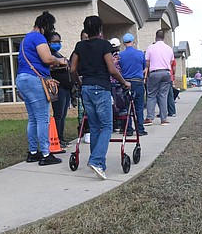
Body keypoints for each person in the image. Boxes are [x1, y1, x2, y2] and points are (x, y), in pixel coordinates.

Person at [70, 16, 130, 180]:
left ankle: (98, 164)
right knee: (107, 127)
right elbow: (111, 69)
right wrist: (124, 82)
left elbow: (73, 68)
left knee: (95, 127)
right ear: (100, 30)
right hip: (101, 88)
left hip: (87, 89)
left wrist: (79, 82)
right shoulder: (104, 45)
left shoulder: (80, 46)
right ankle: (96, 161)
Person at [16, 11, 68, 165]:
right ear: (45, 26)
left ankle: (33, 153)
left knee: (32, 118)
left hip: (22, 78)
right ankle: (46, 154)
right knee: (42, 118)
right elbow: (46, 58)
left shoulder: (25, 39)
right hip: (34, 79)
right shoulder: (38, 36)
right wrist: (60, 61)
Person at [117, 32, 147, 136]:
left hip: (126, 82)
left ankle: (128, 129)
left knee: (127, 107)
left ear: (124, 43)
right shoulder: (140, 54)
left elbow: (120, 68)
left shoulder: (120, 56)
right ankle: (140, 129)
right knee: (139, 107)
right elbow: (143, 67)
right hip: (138, 82)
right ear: (133, 42)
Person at [144, 29, 175, 126]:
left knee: (151, 95)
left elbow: (147, 62)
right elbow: (171, 62)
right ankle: (164, 119)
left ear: (155, 37)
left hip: (155, 72)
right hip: (166, 72)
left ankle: (149, 118)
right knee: (163, 96)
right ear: (164, 38)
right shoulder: (169, 48)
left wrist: (147, 71)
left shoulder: (151, 47)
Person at [47, 31, 71, 149]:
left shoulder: (58, 54)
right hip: (58, 87)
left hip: (66, 88)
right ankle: (57, 139)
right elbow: (50, 67)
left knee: (63, 114)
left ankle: (61, 137)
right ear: (48, 43)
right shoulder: (49, 55)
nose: (57, 44)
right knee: (58, 114)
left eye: (58, 42)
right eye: (54, 42)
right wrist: (60, 65)